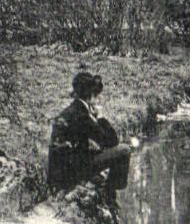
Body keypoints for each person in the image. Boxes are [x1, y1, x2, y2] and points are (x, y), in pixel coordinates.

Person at [47, 70, 131, 200]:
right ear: (90, 95)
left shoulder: (71, 110)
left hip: (59, 171)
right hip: (71, 173)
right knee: (124, 150)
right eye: (96, 94)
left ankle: (99, 185)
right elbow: (111, 141)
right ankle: (110, 190)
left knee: (98, 169)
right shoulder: (82, 115)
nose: (97, 98)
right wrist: (100, 118)